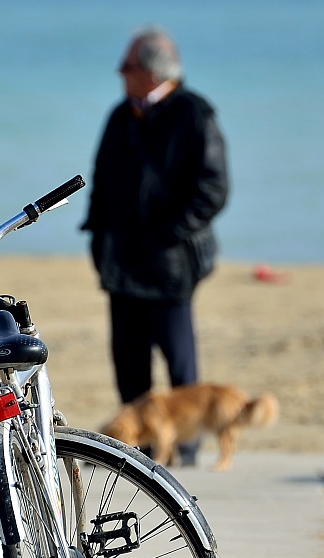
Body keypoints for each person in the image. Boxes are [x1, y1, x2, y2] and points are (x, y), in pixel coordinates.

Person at [81, 27, 229, 465]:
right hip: (120, 262)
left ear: (151, 72)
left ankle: (186, 449)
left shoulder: (194, 114)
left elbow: (213, 189)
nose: (119, 73)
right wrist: (98, 236)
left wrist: (167, 233)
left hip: (170, 264)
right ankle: (141, 451)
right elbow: (100, 181)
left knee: (180, 364)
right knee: (128, 364)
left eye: (126, 66)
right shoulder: (121, 115)